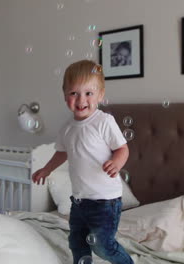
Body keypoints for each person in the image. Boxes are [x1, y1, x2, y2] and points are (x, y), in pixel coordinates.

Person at [32, 60, 133, 264]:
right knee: (77, 241)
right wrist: (46, 169)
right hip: (79, 201)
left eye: (88, 93)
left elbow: (122, 148)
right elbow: (62, 153)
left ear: (100, 95)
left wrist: (117, 163)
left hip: (106, 201)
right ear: (65, 95)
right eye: (73, 93)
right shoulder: (67, 128)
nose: (81, 100)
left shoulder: (103, 122)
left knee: (102, 245)